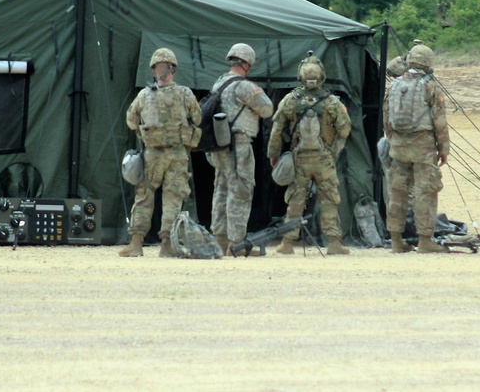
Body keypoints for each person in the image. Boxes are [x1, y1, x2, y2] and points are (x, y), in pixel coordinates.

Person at [121, 48, 201, 257]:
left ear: (154, 69)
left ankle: (136, 243)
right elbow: (198, 118)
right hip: (178, 155)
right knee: (173, 198)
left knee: (144, 196)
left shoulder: (144, 95)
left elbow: (131, 121)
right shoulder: (185, 94)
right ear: (173, 68)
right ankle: (167, 245)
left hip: (153, 155)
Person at [268, 55, 352, 256]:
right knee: (329, 198)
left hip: (300, 158)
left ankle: (287, 242)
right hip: (324, 159)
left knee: (296, 199)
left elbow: (277, 129)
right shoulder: (332, 102)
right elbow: (345, 129)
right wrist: (333, 151)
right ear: (322, 76)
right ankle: (333, 242)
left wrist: (274, 154)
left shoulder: (290, 100)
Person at [206, 43, 274, 254]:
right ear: (246, 63)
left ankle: (220, 241)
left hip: (218, 147)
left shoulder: (218, 83)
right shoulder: (244, 86)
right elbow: (267, 108)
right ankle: (236, 245)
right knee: (241, 191)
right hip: (239, 146)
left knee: (221, 191)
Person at [383, 44, 451, 253]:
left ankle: (396, 240)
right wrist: (443, 148)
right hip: (422, 146)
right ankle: (425, 240)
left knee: (398, 193)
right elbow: (439, 120)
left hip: (398, 146)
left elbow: (387, 117)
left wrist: (393, 139)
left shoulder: (394, 86)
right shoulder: (430, 86)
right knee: (425, 192)